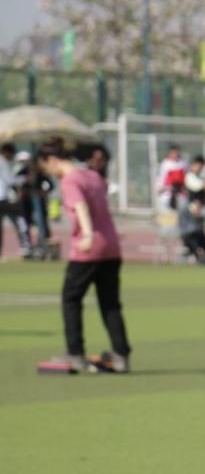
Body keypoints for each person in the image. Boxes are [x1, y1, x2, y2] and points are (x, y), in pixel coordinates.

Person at [37, 137, 131, 374]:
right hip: (111, 246)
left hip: (88, 248)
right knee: (109, 302)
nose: (49, 173)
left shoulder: (70, 180)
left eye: (47, 168)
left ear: (52, 160)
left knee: (71, 298)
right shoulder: (92, 175)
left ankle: (75, 352)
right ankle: (120, 354)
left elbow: (80, 207)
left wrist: (87, 234)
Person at [178, 157, 205, 264]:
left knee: (199, 233)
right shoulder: (190, 177)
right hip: (188, 211)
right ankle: (195, 255)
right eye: (198, 165)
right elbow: (202, 186)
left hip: (197, 212)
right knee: (190, 233)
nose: (199, 168)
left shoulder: (200, 177)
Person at [0, 142, 30, 258]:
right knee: (18, 220)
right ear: (7, 152)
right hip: (4, 199)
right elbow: (10, 180)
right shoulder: (3, 162)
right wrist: (24, 179)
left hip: (3, 198)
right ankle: (25, 246)